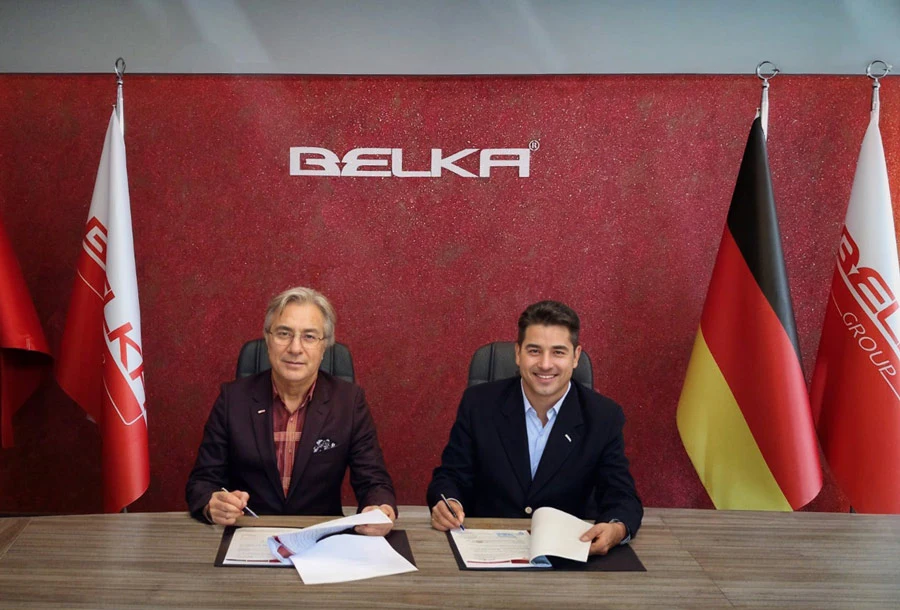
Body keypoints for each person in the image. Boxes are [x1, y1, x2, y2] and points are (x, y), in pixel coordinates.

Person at [427, 300, 642, 555]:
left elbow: (622, 495)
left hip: (566, 555)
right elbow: (451, 475)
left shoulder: (603, 416)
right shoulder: (479, 404)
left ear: (575, 357)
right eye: (534, 351)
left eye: (558, 352)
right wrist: (448, 502)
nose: (545, 364)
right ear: (518, 354)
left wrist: (616, 529)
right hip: (487, 552)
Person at [186, 287, 396, 535]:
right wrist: (213, 504)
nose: (295, 348)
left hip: (321, 538)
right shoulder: (233, 399)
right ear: (267, 338)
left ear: (325, 346)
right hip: (247, 535)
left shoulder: (349, 402)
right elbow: (202, 482)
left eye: (309, 336)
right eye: (284, 333)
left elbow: (374, 481)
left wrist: (380, 507)